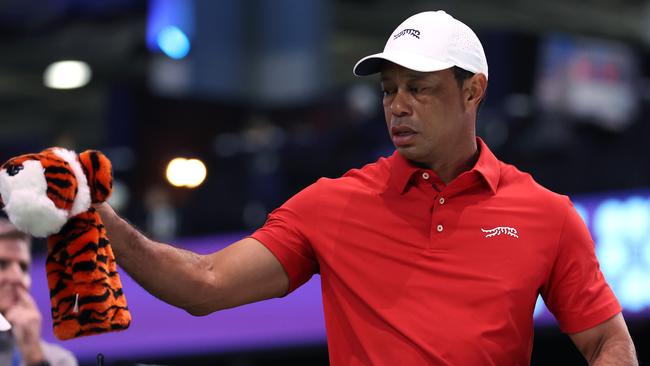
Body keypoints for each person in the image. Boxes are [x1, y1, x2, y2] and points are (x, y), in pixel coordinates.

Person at [95, 10, 638, 365]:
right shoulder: (331, 204)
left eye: (418, 88)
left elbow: (608, 341)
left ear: (474, 90)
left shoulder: (545, 214)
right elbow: (204, 285)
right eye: (388, 89)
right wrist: (97, 216)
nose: (397, 105)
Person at [0, 218, 78, 366]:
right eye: (2, 264)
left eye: (23, 267)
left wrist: (35, 359)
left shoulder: (58, 360)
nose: (18, 277)